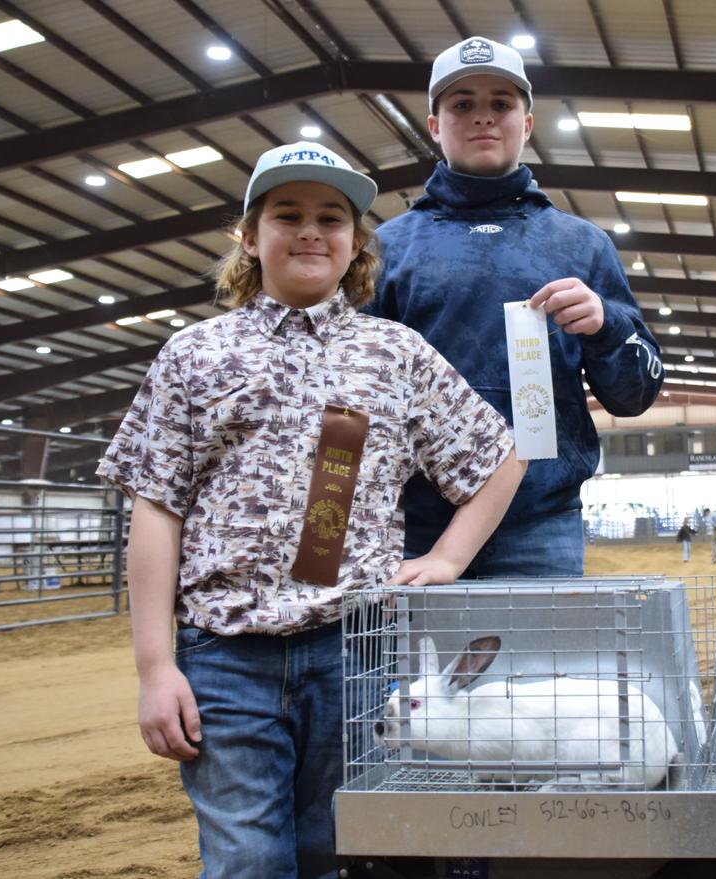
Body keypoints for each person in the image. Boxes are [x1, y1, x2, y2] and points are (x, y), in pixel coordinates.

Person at [96, 142, 525, 879]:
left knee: (338, 854)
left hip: (351, 655)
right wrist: (155, 665)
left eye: (331, 217)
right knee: (247, 861)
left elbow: (499, 457)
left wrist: (449, 556)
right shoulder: (194, 355)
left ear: (356, 242)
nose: (309, 231)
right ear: (250, 237)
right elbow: (157, 508)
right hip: (225, 657)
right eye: (286, 214)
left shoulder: (396, 353)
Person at [370, 36, 664, 577]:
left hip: (540, 524)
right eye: (462, 105)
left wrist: (606, 326)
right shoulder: (387, 248)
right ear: (435, 125)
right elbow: (351, 395)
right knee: (410, 667)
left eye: (501, 105)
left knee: (539, 667)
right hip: (415, 525)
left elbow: (636, 394)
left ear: (526, 124)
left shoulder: (582, 246)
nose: (483, 118)